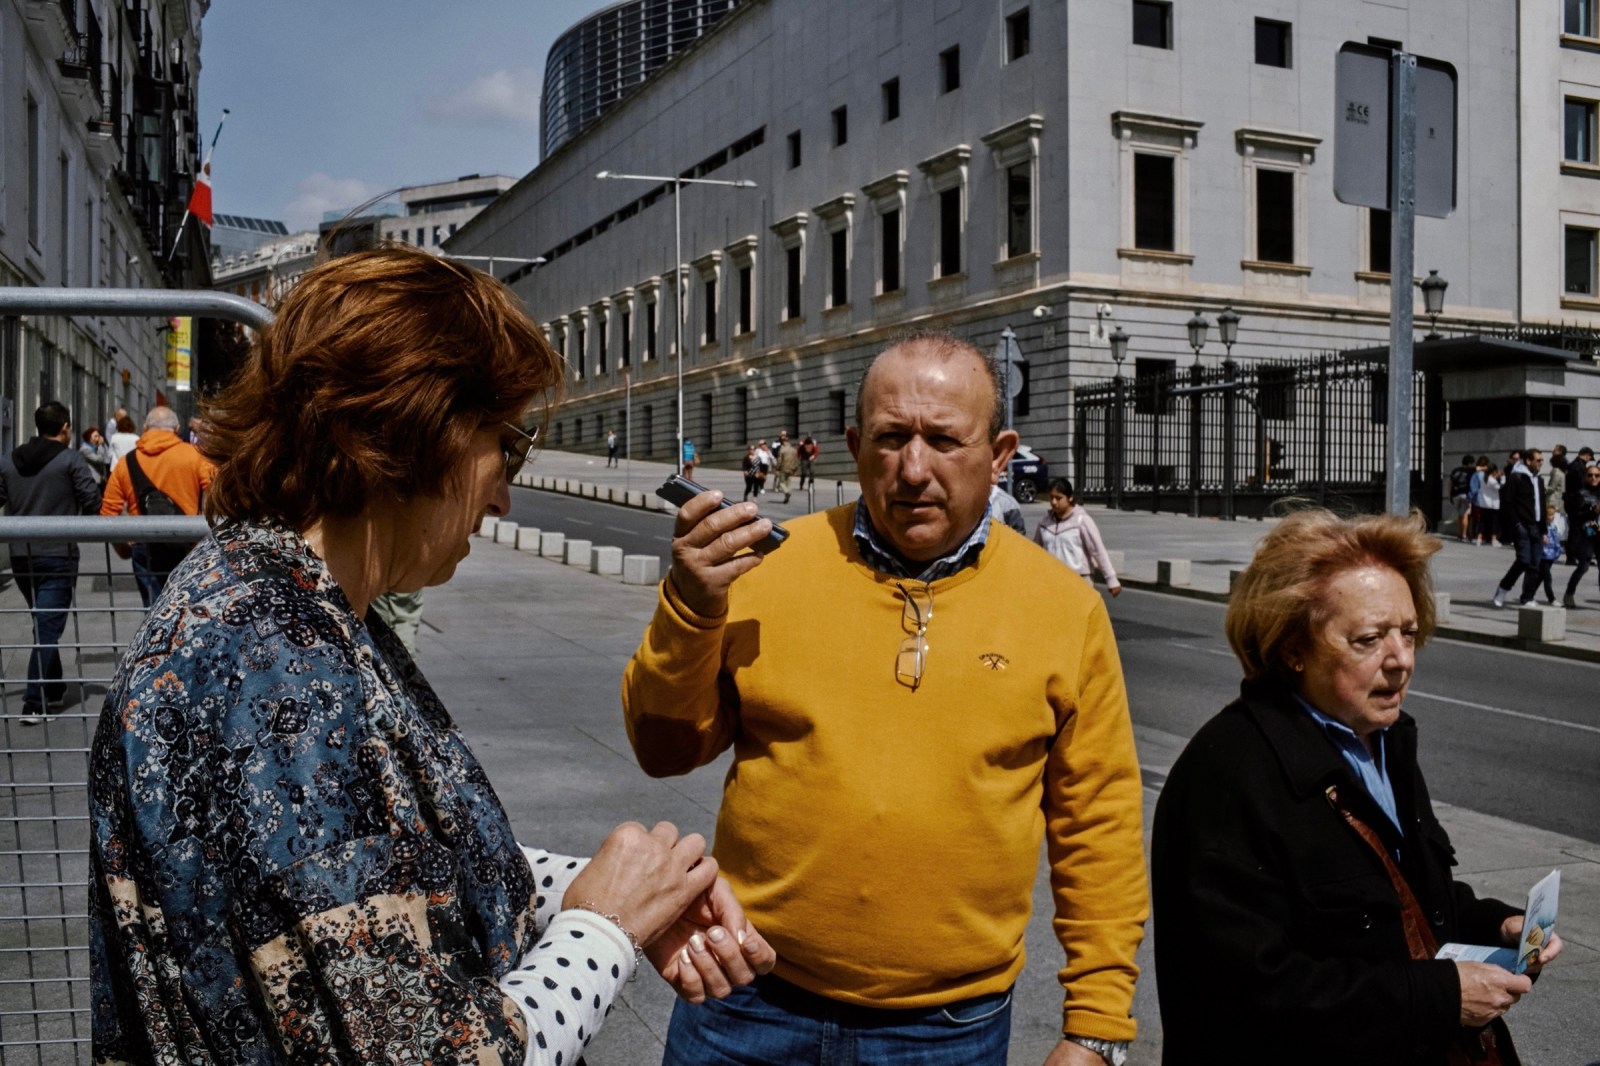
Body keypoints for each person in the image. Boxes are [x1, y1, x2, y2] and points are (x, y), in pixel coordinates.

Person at [88, 248, 774, 1065]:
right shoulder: (274, 665)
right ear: (414, 432)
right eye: (502, 447)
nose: (503, 495)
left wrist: (611, 890)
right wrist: (605, 930)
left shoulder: (284, 599)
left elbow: (371, 863)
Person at [623, 330, 1147, 1066]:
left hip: (947, 1031)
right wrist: (689, 610)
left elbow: (1100, 829)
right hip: (745, 1001)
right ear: (853, 444)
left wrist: (1096, 1027)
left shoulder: (1064, 609)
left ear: (999, 456)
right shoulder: (766, 568)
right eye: (891, 438)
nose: (913, 469)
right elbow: (663, 749)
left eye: (944, 440)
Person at [1151, 508, 1563, 1066]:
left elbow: (1396, 896)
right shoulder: (1228, 778)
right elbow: (1245, 996)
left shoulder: (1385, 738)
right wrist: (1440, 996)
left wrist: (1494, 923)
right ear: (1292, 646)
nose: (1400, 660)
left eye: (1409, 633)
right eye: (1369, 639)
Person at [0, 402, 102, 723]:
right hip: (58, 554)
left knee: (43, 623)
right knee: (47, 628)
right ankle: (35, 702)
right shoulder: (70, 460)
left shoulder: (10, 461)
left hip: (21, 555)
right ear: (65, 427)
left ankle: (54, 689)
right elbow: (92, 502)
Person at [99, 405, 216, 607]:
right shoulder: (196, 457)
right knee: (189, 612)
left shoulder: (126, 463)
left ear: (145, 427)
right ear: (177, 428)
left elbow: (109, 512)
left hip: (144, 547)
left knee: (153, 613)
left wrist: (123, 549)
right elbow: (216, 499)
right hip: (187, 544)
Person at [1034, 477, 1121, 597]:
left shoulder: (1081, 521)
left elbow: (1098, 550)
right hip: (1052, 582)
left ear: (1070, 498)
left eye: (1059, 498)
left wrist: (1111, 579)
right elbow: (1036, 552)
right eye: (1051, 497)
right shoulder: (1044, 523)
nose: (1054, 502)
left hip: (1078, 582)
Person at [1492, 448, 1546, 607]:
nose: (1541, 463)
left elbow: (1541, 505)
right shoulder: (1516, 477)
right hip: (1522, 525)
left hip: (1537, 526)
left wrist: (1544, 530)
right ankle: (1503, 587)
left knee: (1535, 563)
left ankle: (1527, 597)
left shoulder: (1539, 479)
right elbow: (1507, 503)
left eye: (1542, 460)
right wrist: (1516, 524)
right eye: (1538, 460)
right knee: (1523, 560)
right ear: (1528, 461)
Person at [1564, 461, 1600, 608]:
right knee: (1583, 566)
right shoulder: (1580, 493)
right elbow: (1576, 515)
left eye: (1597, 475)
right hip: (1586, 534)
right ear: (1585, 477)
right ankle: (1569, 593)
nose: (1594, 478)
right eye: (1590, 475)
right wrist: (1593, 512)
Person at [1538, 501, 1565, 605]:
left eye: (1552, 515)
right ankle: (1551, 598)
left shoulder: (1553, 526)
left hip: (1551, 556)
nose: (1551, 517)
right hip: (1543, 556)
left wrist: (1558, 552)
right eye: (1549, 515)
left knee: (1541, 577)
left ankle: (1529, 594)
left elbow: (1556, 541)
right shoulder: (1543, 527)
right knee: (1547, 578)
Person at [1448, 453, 1476, 541]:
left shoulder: (1455, 470)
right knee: (1465, 515)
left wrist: (1450, 495)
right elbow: (1481, 468)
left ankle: (1460, 533)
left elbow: (1450, 483)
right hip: (1465, 495)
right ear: (1470, 463)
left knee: (1460, 515)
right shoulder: (1471, 470)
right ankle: (1464, 535)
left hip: (1455, 495)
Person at [1476, 461, 1502, 547]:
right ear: (1494, 471)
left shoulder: (1483, 477)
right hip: (1493, 504)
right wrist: (1502, 478)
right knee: (1494, 522)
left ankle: (1479, 539)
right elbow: (1499, 487)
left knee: (1482, 522)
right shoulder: (1492, 480)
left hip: (1484, 503)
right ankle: (1493, 540)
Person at [773, 430, 799, 503]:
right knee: (789, 482)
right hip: (791, 468)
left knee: (782, 483)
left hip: (783, 468)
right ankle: (786, 497)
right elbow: (796, 460)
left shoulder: (782, 450)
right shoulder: (794, 450)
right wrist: (795, 468)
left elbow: (779, 461)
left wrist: (777, 469)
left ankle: (787, 492)